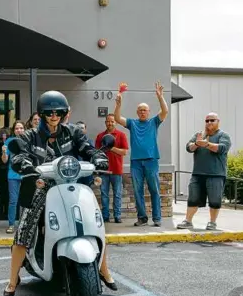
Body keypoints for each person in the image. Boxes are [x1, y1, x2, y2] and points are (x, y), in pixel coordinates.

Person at [4, 91, 112, 296]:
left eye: (58, 112)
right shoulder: (30, 135)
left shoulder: (73, 132)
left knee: (95, 222)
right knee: (25, 229)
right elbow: (19, 155)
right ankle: (12, 279)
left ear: (64, 113)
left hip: (72, 187)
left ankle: (104, 269)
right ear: (42, 114)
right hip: (41, 187)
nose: (54, 116)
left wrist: (99, 157)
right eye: (49, 112)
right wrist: (25, 165)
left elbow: (88, 148)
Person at [114, 81, 168, 227]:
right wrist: (118, 105)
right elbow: (118, 119)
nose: (142, 112)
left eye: (145, 110)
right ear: (137, 112)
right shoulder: (132, 123)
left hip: (151, 161)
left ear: (148, 112)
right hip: (136, 162)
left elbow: (165, 112)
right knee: (137, 192)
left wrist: (160, 97)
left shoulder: (154, 122)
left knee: (154, 189)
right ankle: (142, 218)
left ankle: (157, 218)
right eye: (140, 110)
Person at [177, 113, 232, 231]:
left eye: (212, 120)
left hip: (216, 174)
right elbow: (189, 147)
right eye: (207, 121)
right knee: (193, 198)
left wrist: (206, 144)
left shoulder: (223, 135)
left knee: (215, 200)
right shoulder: (199, 135)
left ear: (218, 121)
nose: (209, 123)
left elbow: (222, 148)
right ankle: (188, 221)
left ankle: (212, 222)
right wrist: (197, 143)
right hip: (198, 174)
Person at [95, 114, 129, 223]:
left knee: (117, 194)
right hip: (103, 170)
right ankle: (105, 216)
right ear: (105, 122)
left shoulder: (121, 135)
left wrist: (111, 147)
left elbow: (124, 152)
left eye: (112, 121)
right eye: (108, 121)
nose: (110, 123)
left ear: (116, 122)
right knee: (104, 195)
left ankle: (117, 216)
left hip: (116, 170)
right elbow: (96, 152)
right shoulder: (100, 136)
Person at [1, 120, 25, 234]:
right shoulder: (9, 141)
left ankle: (23, 224)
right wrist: (4, 153)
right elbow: (5, 160)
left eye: (21, 128)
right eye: (17, 128)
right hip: (13, 175)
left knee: (25, 201)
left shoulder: (28, 140)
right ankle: (11, 224)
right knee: (13, 201)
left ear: (24, 129)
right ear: (13, 130)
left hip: (26, 174)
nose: (19, 130)